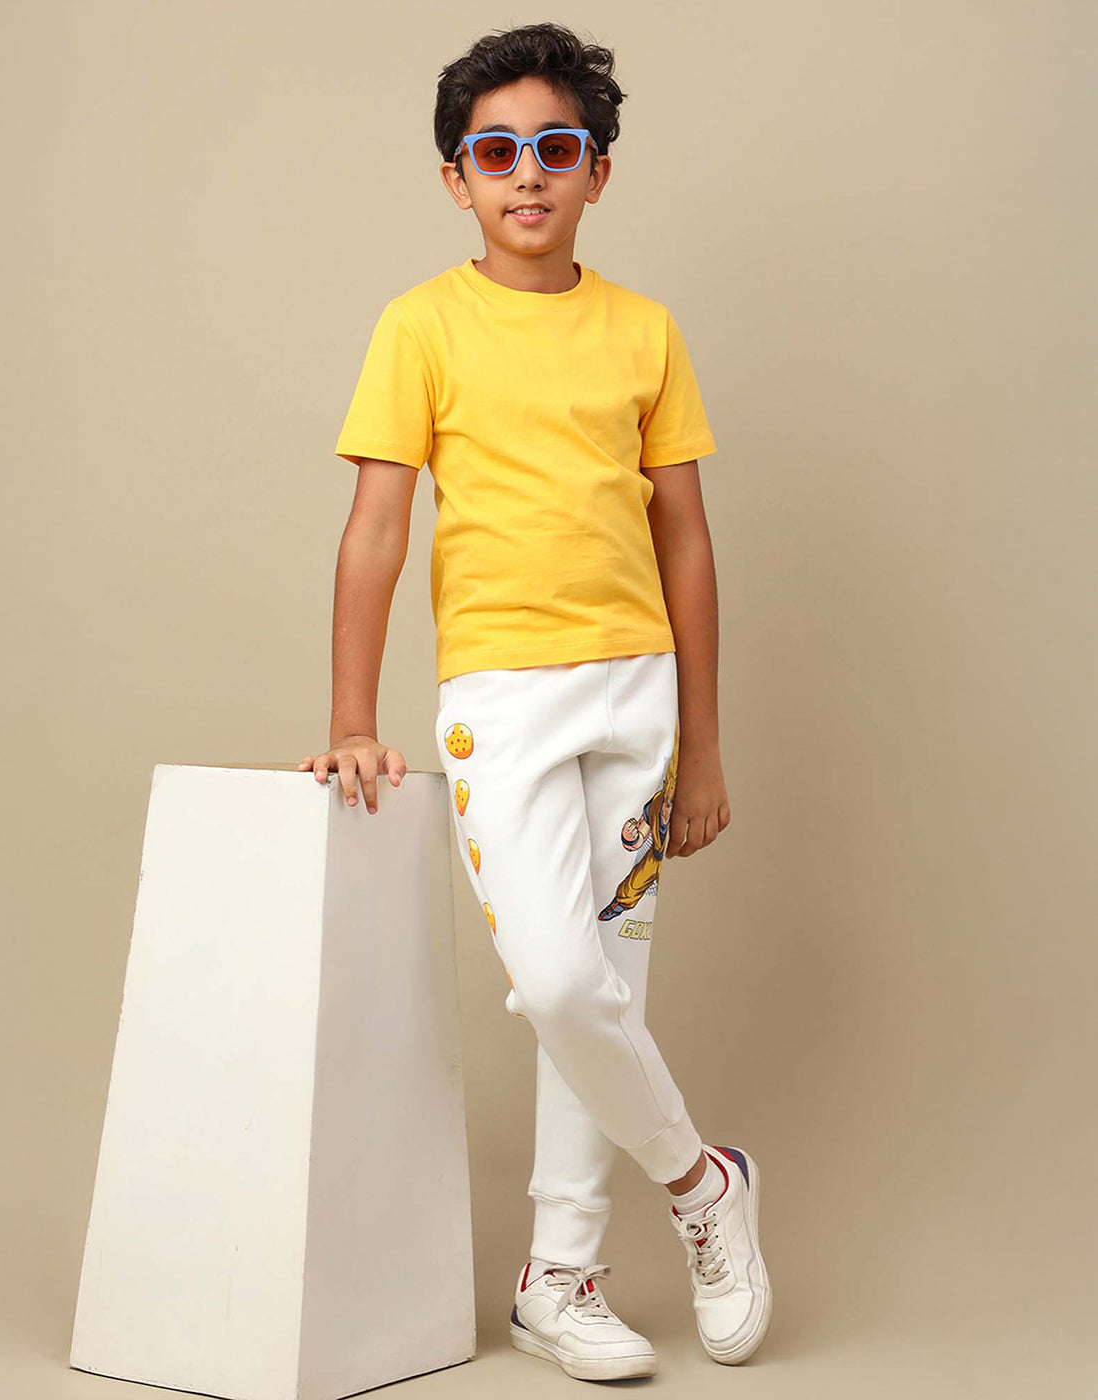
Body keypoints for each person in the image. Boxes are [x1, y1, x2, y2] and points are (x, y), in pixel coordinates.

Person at [299, 21, 771, 1380]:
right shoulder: (422, 326)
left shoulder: (644, 331)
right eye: (495, 152)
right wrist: (349, 718)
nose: (527, 173)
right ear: (456, 178)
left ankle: (557, 1280)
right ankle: (704, 1185)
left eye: (555, 148)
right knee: (561, 982)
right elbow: (376, 529)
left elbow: (686, 538)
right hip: (500, 695)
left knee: (606, 989)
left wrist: (704, 746)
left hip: (637, 695)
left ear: (596, 172)